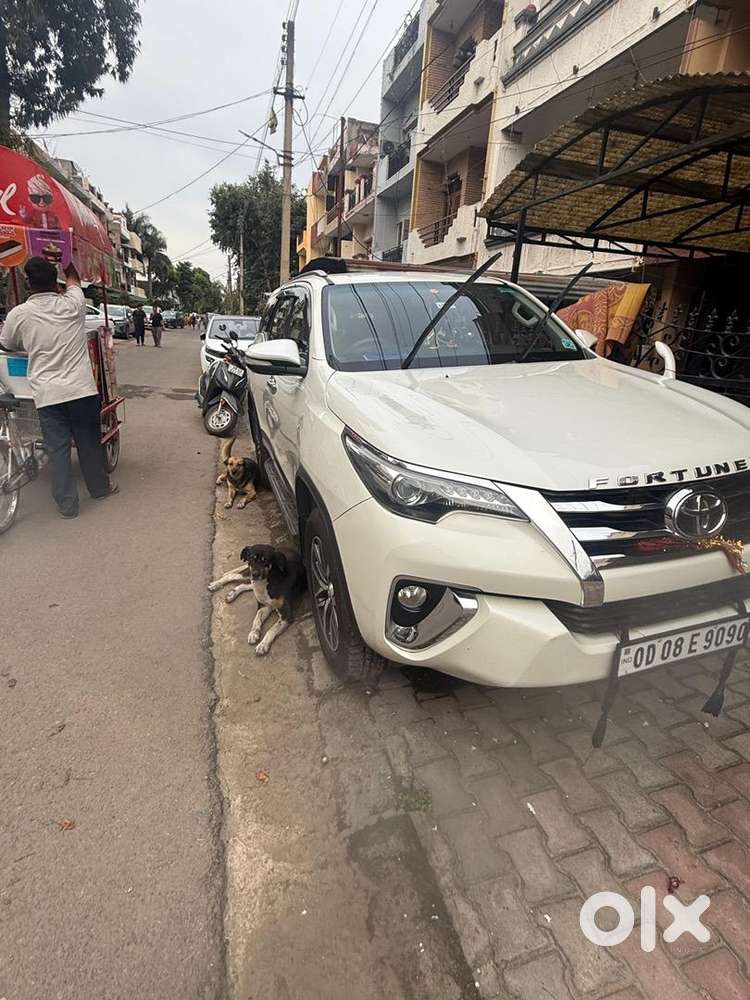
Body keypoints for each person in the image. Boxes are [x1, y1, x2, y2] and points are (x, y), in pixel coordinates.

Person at [0, 256, 118, 518]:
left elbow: (6, 345)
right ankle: (99, 489)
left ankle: (67, 505)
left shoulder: (19, 314)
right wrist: (65, 256)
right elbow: (75, 280)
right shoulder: (73, 305)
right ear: (56, 282)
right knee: (88, 444)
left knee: (58, 450)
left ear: (28, 283)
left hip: (47, 395)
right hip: (81, 391)